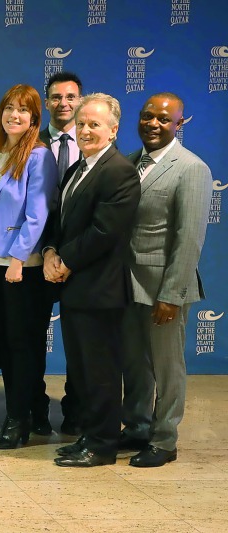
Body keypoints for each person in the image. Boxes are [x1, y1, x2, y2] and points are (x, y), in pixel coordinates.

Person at [45, 93, 141, 467]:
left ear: (113, 130)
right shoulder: (78, 168)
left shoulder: (118, 171)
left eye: (95, 124)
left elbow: (105, 232)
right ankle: (88, 435)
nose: (86, 130)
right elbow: (62, 221)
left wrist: (65, 260)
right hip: (74, 289)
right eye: (82, 123)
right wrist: (51, 251)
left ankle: (101, 445)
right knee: (82, 371)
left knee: (100, 372)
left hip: (100, 289)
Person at [0, 84, 59, 449]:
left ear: (35, 118)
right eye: (9, 109)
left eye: (23, 110)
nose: (14, 115)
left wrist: (19, 258)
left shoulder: (38, 155)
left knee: (21, 345)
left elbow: (38, 213)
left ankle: (17, 421)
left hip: (19, 266)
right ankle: (32, 411)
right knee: (6, 344)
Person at [120, 93, 212, 467]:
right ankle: (138, 426)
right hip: (129, 284)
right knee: (136, 363)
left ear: (179, 124)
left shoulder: (191, 168)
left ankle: (164, 439)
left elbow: (189, 237)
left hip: (164, 288)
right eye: (146, 117)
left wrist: (172, 294)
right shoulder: (128, 162)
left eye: (163, 118)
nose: (153, 124)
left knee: (167, 366)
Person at [39, 71, 84, 435]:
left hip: (81, 263)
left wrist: (69, 257)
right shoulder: (30, 143)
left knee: (81, 345)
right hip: (36, 257)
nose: (64, 103)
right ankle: (35, 410)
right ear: (46, 101)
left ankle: (76, 413)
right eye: (56, 97)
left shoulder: (94, 145)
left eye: (71, 97)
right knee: (31, 339)